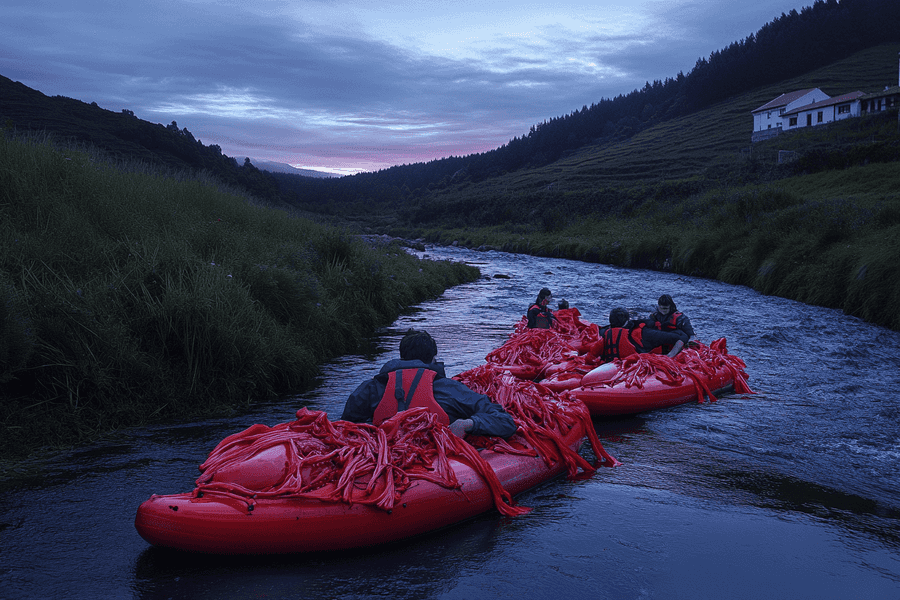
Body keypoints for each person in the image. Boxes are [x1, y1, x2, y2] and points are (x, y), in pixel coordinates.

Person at [342, 329, 518, 439]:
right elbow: (505, 422)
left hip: (380, 458)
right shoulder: (450, 389)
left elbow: (344, 428)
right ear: (432, 359)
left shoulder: (370, 388)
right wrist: (468, 424)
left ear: (401, 357)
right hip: (435, 460)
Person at [585, 307, 688, 363]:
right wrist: (670, 356)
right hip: (633, 371)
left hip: (611, 369)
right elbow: (679, 338)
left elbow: (589, 358)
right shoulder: (644, 333)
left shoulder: (605, 335)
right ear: (627, 319)